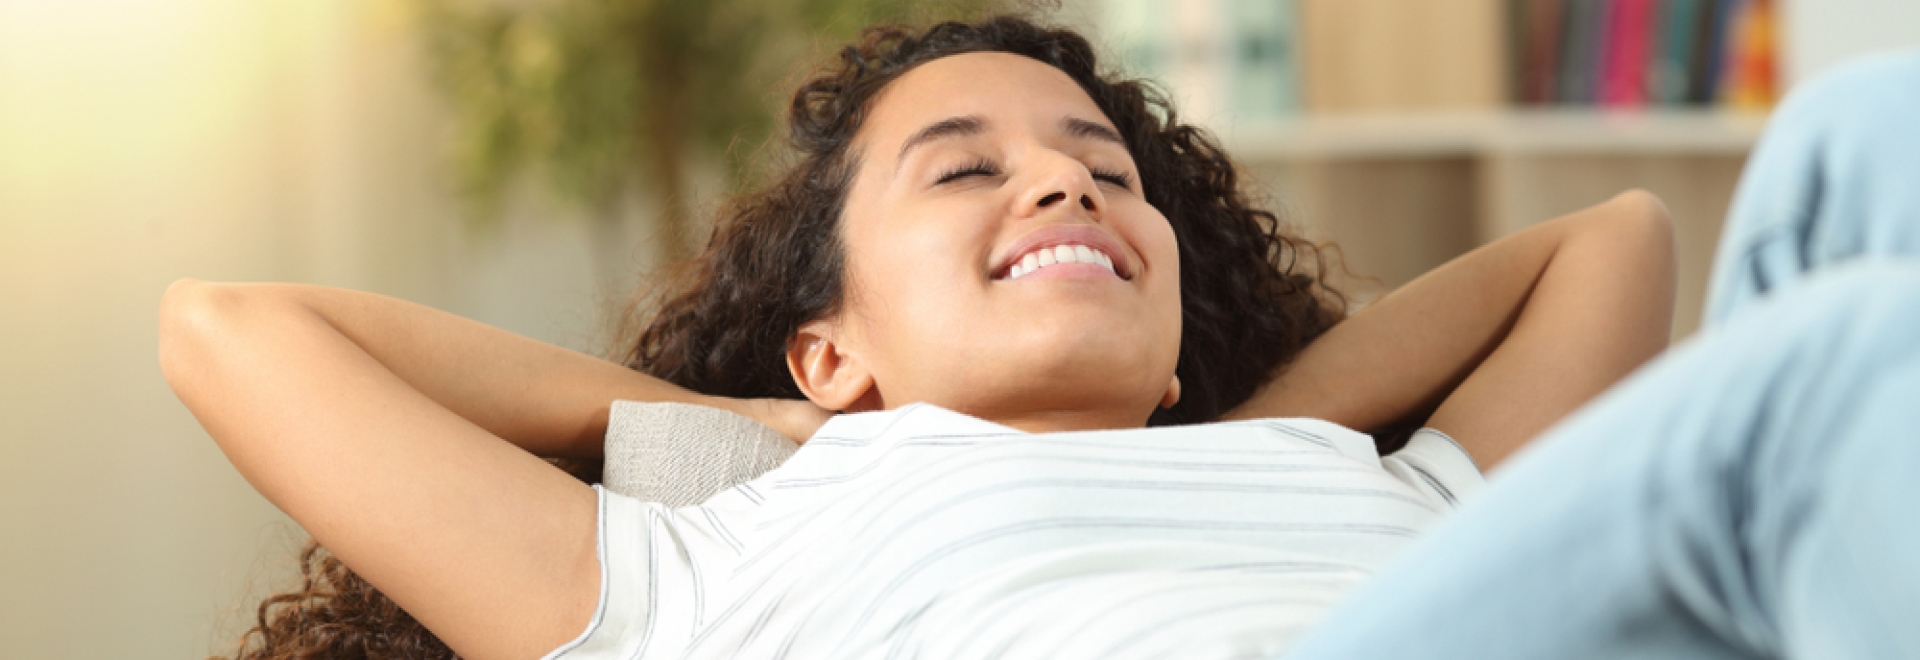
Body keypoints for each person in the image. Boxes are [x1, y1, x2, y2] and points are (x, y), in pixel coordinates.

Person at [165, 16, 1683, 660]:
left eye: (1103, 171)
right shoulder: (732, 558)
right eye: (965, 167)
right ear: (830, 350)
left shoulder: (1377, 486)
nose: (1063, 179)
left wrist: (1240, 433)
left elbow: (1615, 237)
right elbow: (234, 329)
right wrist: (762, 432)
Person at [1285, 49, 1920, 659]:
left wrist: (1244, 427)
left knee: (1864, 131)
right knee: (1822, 390)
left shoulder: (1308, 450)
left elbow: (1619, 240)